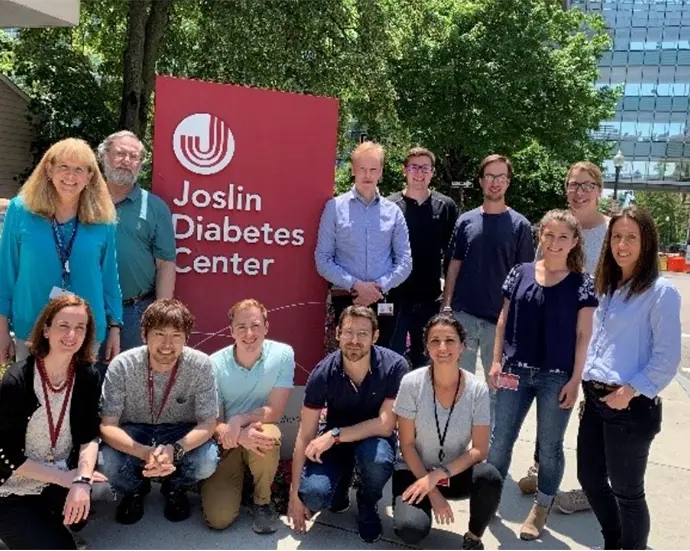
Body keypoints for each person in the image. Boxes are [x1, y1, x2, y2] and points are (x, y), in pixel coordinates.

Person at [487, 209, 597, 540]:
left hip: (556, 377)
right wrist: (496, 362)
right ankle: (488, 498)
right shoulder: (519, 273)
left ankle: (541, 506)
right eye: (549, 235)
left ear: (574, 242)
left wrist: (575, 380)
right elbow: (503, 321)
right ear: (540, 236)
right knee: (500, 440)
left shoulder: (582, 283)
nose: (554, 242)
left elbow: (584, 335)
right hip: (514, 371)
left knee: (549, 447)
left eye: (563, 236)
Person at [577, 206, 681, 551]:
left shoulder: (660, 292)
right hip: (595, 400)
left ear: (646, 242)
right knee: (590, 479)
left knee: (627, 492)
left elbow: (667, 357)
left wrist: (631, 390)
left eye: (631, 237)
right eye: (617, 237)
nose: (622, 245)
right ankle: (615, 541)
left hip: (630, 406)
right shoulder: (606, 286)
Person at [521, 161, 610, 512]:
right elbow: (540, 276)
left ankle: (593, 488)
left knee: (596, 412)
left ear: (599, 190)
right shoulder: (556, 228)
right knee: (551, 402)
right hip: (556, 337)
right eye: (573, 184)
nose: (579, 191)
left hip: (601, 340)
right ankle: (541, 466)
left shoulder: (612, 231)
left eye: (587, 185)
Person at [287, 305, 408, 543]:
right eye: (348, 332)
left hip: (373, 441)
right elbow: (305, 434)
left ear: (375, 336)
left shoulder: (395, 367)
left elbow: (385, 425)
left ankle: (367, 502)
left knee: (377, 461)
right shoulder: (322, 373)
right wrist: (294, 494)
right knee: (313, 495)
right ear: (337, 334)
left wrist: (334, 434)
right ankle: (340, 488)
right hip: (336, 445)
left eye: (363, 334)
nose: (354, 340)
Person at [0, 138, 122, 365]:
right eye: (63, 166)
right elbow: (6, 272)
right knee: (31, 388)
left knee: (81, 389)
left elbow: (109, 278)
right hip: (32, 328)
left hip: (85, 334)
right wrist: (2, 329)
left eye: (79, 169)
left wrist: (115, 326)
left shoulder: (103, 219)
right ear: (49, 169)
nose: (70, 176)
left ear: (90, 176)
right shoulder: (21, 210)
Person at [99, 299, 219, 525]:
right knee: (107, 463)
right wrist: (144, 452)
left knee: (207, 460)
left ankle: (174, 489)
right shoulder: (122, 365)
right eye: (159, 334)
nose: (167, 344)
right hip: (134, 430)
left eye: (176, 335)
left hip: (179, 431)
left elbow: (208, 423)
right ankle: (135, 490)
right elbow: (107, 425)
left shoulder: (201, 365)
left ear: (186, 338)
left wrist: (176, 449)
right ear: (144, 335)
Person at [0, 296, 105, 549]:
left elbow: (89, 436)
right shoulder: (18, 379)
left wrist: (81, 480)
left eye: (80, 328)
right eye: (63, 326)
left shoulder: (87, 375)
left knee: (98, 489)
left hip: (58, 474)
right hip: (12, 485)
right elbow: (6, 455)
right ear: (46, 330)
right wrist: (67, 479)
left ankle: (44, 522)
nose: (71, 335)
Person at [392, 314, 502, 551]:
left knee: (489, 477)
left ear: (462, 346)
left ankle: (473, 537)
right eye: (435, 341)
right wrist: (431, 490)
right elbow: (406, 445)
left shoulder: (477, 389)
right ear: (427, 347)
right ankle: (416, 509)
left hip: (453, 471)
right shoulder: (411, 383)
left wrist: (437, 476)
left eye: (450, 340)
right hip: (413, 471)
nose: (442, 347)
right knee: (410, 530)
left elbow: (480, 450)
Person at [441, 154, 534, 393]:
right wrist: (447, 304)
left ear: (508, 182)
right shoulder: (465, 221)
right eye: (490, 176)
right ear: (481, 181)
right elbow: (454, 264)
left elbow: (525, 276)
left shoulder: (520, 225)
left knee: (497, 390)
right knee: (459, 386)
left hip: (500, 320)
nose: (495, 182)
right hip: (464, 316)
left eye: (501, 177)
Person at [202, 299, 294, 534]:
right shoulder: (213, 364)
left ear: (266, 327)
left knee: (268, 435)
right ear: (231, 331)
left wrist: (240, 420)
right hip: (227, 440)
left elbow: (274, 410)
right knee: (218, 519)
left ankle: (262, 501)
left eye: (255, 325)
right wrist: (237, 434)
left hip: (258, 430)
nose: (249, 333)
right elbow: (214, 423)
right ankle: (234, 486)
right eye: (241, 327)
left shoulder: (283, 355)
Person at [315, 141, 412, 348]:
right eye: (362, 169)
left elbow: (405, 262)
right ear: (353, 169)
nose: (367, 175)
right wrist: (355, 285)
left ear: (381, 172)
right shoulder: (334, 208)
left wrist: (378, 287)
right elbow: (323, 259)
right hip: (346, 298)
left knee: (380, 358)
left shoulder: (393, 212)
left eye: (373, 169)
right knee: (348, 356)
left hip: (383, 300)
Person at [97, 131, 176, 352]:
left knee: (134, 372)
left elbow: (165, 264)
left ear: (140, 164)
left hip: (135, 312)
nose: (126, 161)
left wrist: (160, 315)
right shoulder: (84, 199)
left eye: (133, 157)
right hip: (86, 308)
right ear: (104, 156)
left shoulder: (155, 207)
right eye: (120, 154)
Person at [387, 148, 459, 367]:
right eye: (414, 167)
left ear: (432, 172)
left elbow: (453, 257)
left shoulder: (446, 206)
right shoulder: (389, 206)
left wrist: (447, 299)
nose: (419, 173)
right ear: (404, 171)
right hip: (395, 298)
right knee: (391, 360)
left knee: (428, 362)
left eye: (425, 168)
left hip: (430, 299)